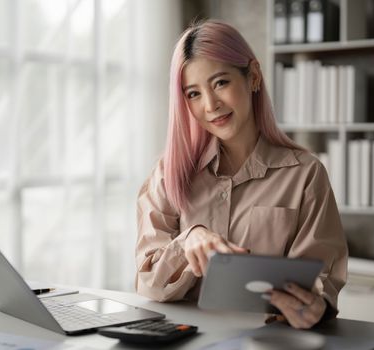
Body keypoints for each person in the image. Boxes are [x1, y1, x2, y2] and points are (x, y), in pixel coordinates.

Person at [135, 19, 347, 329]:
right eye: (193, 94)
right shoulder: (168, 173)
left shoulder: (305, 175)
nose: (210, 105)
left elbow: (320, 282)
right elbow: (148, 282)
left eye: (221, 82)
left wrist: (314, 307)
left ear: (254, 77)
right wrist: (188, 240)